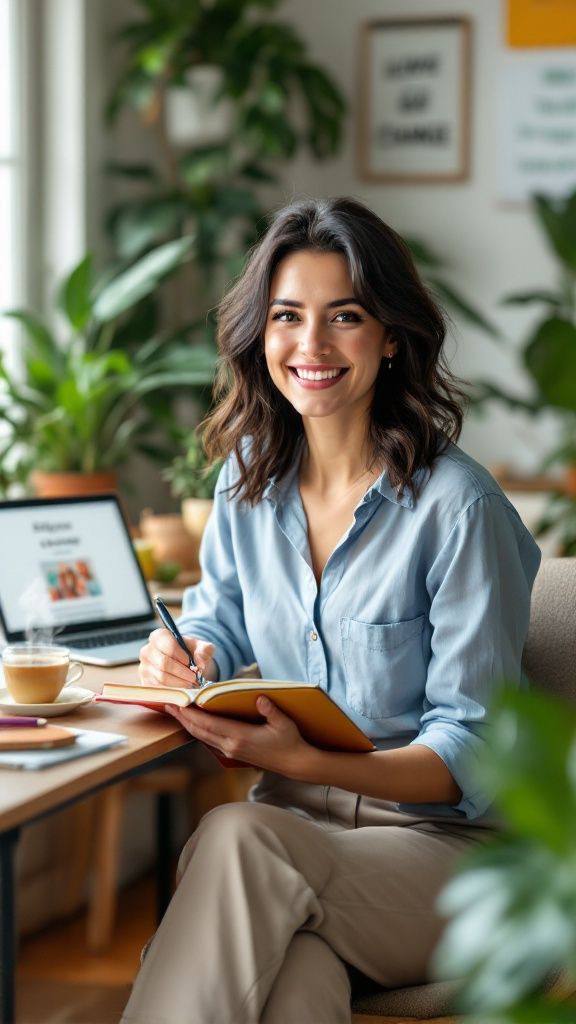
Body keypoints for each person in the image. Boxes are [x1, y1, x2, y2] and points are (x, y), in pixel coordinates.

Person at [122, 197, 541, 1024]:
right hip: (297, 847)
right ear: (260, 335)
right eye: (287, 316)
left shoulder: (459, 510)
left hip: (441, 860)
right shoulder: (247, 480)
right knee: (292, 981)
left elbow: (471, 755)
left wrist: (306, 763)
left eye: (343, 317)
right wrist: (189, 652)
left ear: (390, 336)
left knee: (237, 842)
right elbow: (220, 619)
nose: (310, 346)